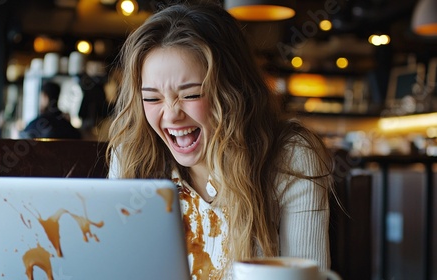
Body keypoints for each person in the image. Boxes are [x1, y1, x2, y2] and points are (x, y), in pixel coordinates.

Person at [106, 2, 335, 279]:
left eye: (191, 95)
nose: (171, 115)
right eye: (152, 98)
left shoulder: (291, 156)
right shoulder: (131, 154)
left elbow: (306, 276)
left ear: (233, 91)